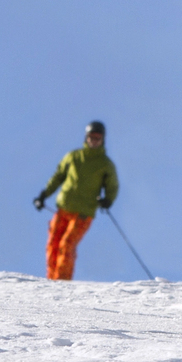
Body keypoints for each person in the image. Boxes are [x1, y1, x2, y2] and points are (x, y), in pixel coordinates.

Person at [34, 119, 119, 281]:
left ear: (102, 139)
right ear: (86, 138)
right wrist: (43, 195)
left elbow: (112, 186)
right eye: (91, 137)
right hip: (64, 207)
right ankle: (51, 280)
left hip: (83, 212)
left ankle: (62, 281)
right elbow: (58, 177)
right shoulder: (73, 157)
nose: (94, 141)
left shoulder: (105, 165)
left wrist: (108, 200)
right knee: (53, 243)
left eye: (97, 138)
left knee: (67, 244)